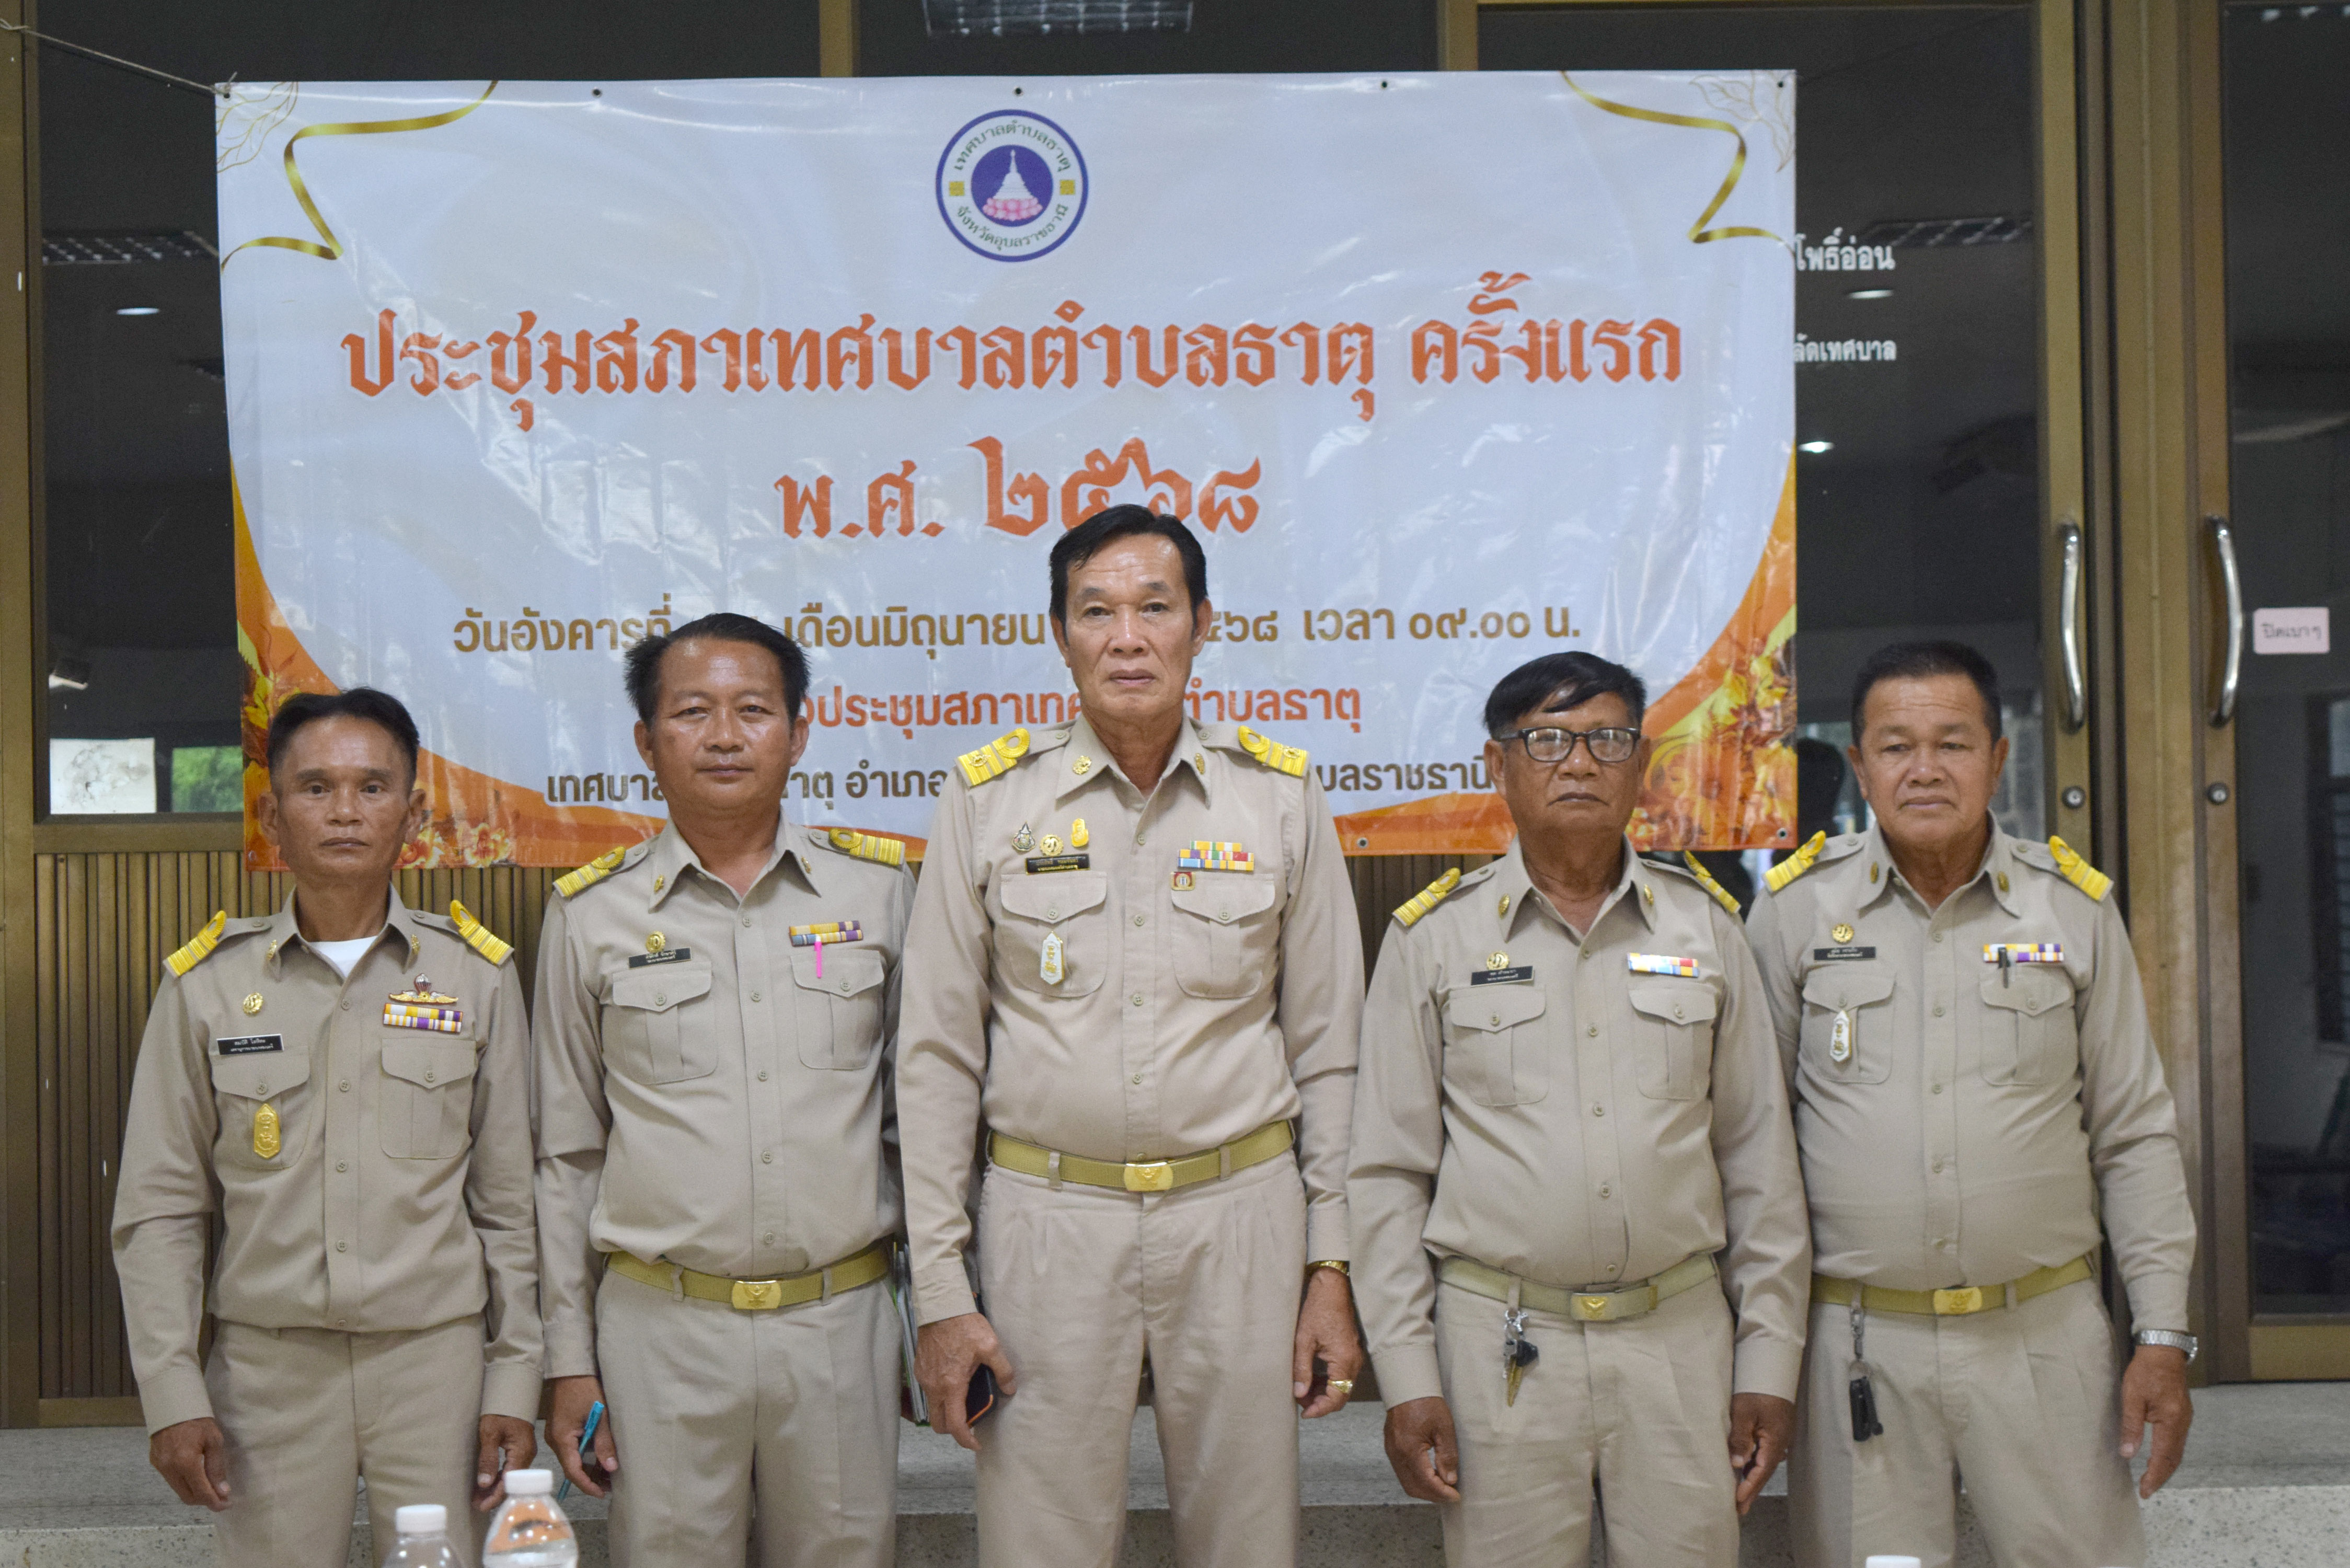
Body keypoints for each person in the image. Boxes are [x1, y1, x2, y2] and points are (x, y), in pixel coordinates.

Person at [897, 505, 1365, 1568]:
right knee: (1040, 1544)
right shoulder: (989, 800)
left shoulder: (1278, 796)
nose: (1127, 638)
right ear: (1059, 634)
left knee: (1249, 1542)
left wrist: (1330, 1264)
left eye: (1155, 608)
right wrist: (942, 1290)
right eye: (1096, 612)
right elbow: (935, 1060)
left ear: (1203, 624)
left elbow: (1331, 1052)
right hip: (1046, 1219)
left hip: (1241, 1215)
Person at [1351, 651, 1811, 1568]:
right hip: (1500, 1345)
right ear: (1498, 766)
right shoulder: (1434, 939)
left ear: (1641, 766)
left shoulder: (1705, 928)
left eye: (1607, 740)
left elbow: (1760, 1161)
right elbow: (1388, 1175)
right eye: (1548, 742)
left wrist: (1769, 1361)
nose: (1578, 764)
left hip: (1680, 1341)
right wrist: (1406, 1377)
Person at [1744, 640, 2197, 1568]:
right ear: (1861, 765)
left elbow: (2134, 1136)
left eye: (1952, 744)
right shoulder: (1794, 913)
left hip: (2043, 1339)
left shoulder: (2072, 911)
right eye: (1896, 747)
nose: (1924, 770)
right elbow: (1753, 1148)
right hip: (1856, 1345)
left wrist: (2161, 1334)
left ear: (1997, 758)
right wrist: (1759, 1353)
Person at [112, 688, 539, 1568]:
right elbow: (160, 1208)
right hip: (268, 1374)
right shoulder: (208, 985)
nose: (345, 810)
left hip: (437, 1370)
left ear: (411, 816)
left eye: (372, 787)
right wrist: (172, 1392)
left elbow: (510, 1206)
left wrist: (515, 1376)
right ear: (272, 816)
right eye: (315, 788)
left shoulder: (477, 977)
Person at [533, 613, 913, 1568]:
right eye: (693, 712)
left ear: (799, 731)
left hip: (840, 1321)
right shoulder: (591, 914)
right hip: (660, 1332)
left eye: (753, 710)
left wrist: (946, 1309)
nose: (725, 736)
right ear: (646, 741)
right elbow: (566, 1157)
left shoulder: (878, 895)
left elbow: (922, 1125)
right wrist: (567, 1360)